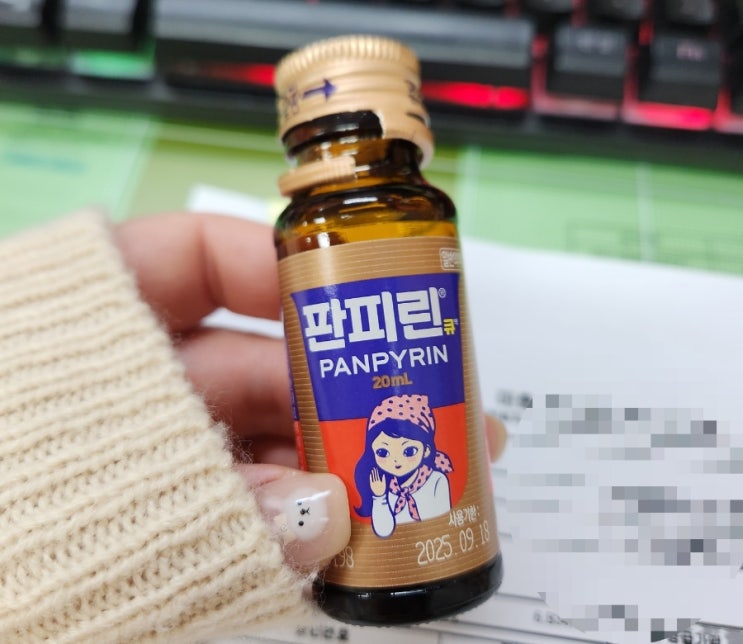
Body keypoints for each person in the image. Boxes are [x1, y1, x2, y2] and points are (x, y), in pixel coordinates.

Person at [0, 211, 507, 642]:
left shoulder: (434, 483)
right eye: (385, 449)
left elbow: (428, 516)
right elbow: (388, 525)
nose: (394, 458)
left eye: (407, 450)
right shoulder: (383, 485)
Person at [355, 394, 454, 538]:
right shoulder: (388, 486)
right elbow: (384, 531)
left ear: (426, 450)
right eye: (383, 452)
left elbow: (442, 525)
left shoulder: (436, 481)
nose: (396, 461)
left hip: (441, 544)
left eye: (409, 451)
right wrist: (379, 497)